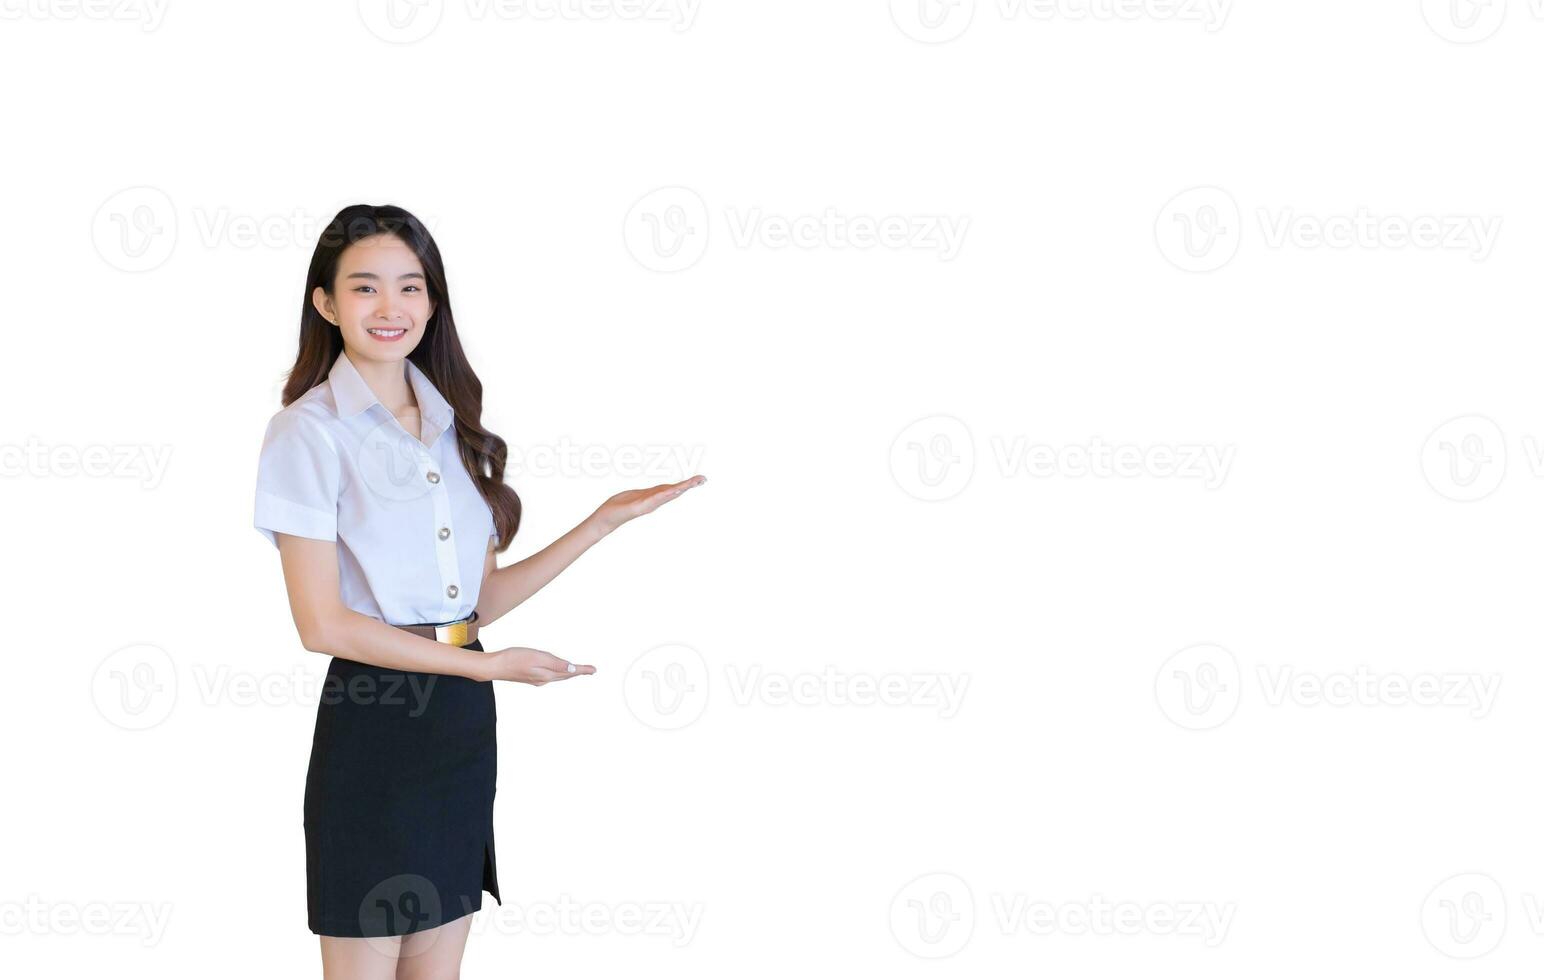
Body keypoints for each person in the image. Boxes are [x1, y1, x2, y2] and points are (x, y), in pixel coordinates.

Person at [253, 203, 705, 979]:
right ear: (326, 304)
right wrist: (483, 667)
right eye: (365, 288)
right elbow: (322, 624)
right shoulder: (308, 431)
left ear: (433, 302)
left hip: (460, 728)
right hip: (375, 716)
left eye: (411, 287)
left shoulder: (447, 422)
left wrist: (599, 525)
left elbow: (475, 608)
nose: (390, 308)